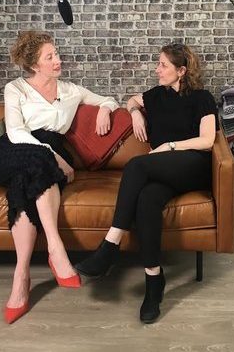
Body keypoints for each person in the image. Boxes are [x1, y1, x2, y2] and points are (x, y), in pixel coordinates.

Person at [75, 42, 219, 323]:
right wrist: (134, 113)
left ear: (181, 71)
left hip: (192, 165)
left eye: (163, 65)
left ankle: (110, 246)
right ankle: (154, 281)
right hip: (164, 170)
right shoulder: (155, 96)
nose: (157, 69)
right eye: (158, 63)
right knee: (147, 200)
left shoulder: (201, 98)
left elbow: (207, 140)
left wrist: (169, 146)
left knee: (137, 165)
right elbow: (132, 100)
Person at [0, 30, 119, 324]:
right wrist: (51, 154)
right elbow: (16, 131)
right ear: (35, 65)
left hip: (46, 156)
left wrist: (105, 110)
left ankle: (21, 276)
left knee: (26, 181)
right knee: (39, 164)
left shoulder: (71, 90)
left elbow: (109, 99)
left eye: (56, 54)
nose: (58, 60)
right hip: (15, 148)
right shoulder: (16, 89)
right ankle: (56, 249)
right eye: (50, 57)